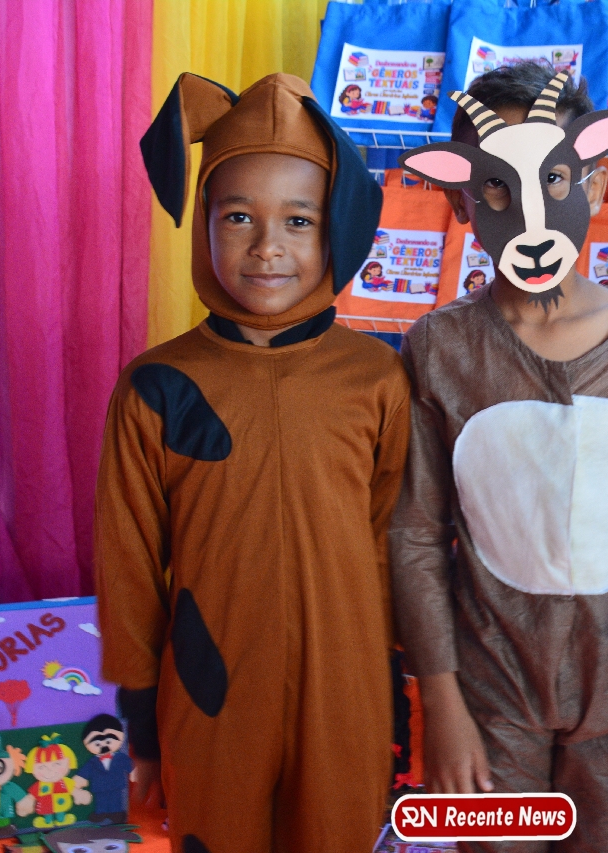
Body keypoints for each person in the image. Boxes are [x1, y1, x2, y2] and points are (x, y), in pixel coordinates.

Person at [392, 61, 608, 852]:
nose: (527, 212)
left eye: (550, 179)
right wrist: (441, 703)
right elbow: (415, 533)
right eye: (496, 188)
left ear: (593, 185)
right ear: (461, 199)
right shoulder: (439, 349)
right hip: (490, 697)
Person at [96, 72, 408, 853]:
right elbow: (129, 564)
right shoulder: (156, 385)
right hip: (210, 695)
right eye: (238, 216)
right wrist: (140, 712)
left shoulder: (376, 378)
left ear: (336, 229)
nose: (268, 247)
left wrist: (399, 686)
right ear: (202, 220)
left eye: (299, 220)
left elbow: (393, 541)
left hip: (346, 693)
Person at [75, 715, 133, 825]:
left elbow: (128, 765)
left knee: (116, 800)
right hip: (99, 787)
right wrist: (80, 779)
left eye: (108, 742)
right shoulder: (92, 762)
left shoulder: (120, 758)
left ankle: (116, 813)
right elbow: (85, 771)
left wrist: (134, 772)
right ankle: (100, 813)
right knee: (101, 800)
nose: (104, 746)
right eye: (97, 744)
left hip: (116, 785)